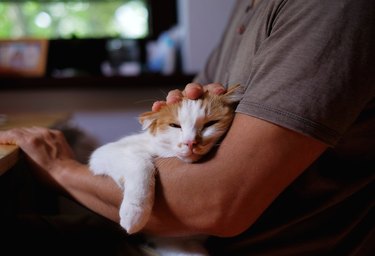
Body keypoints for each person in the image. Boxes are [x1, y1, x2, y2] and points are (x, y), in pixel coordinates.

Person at [0, 0, 374, 255]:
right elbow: (192, 108)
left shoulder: (328, 11)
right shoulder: (249, 7)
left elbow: (213, 206)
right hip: (163, 235)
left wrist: (60, 169)